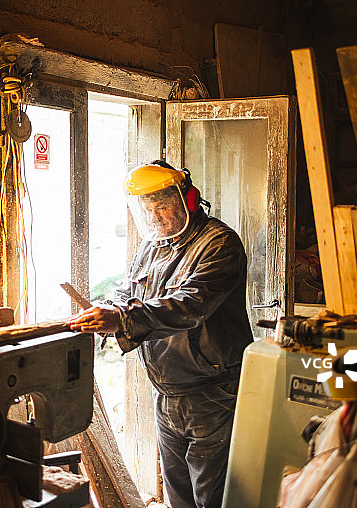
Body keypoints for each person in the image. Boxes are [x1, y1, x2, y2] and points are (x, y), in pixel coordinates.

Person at [69, 160, 253, 508]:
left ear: (189, 199)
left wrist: (122, 318)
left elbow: (188, 305)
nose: (155, 216)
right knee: (178, 494)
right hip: (166, 390)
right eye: (147, 208)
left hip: (212, 393)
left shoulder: (219, 244)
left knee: (212, 496)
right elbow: (129, 294)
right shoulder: (152, 245)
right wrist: (102, 310)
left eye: (163, 205)